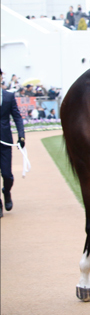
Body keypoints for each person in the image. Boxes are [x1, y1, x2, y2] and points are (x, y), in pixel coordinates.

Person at [1, 69, 26, 218]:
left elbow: (17, 117)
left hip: (5, 141)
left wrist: (21, 136)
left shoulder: (8, 96)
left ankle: (7, 191)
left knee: (7, 175)